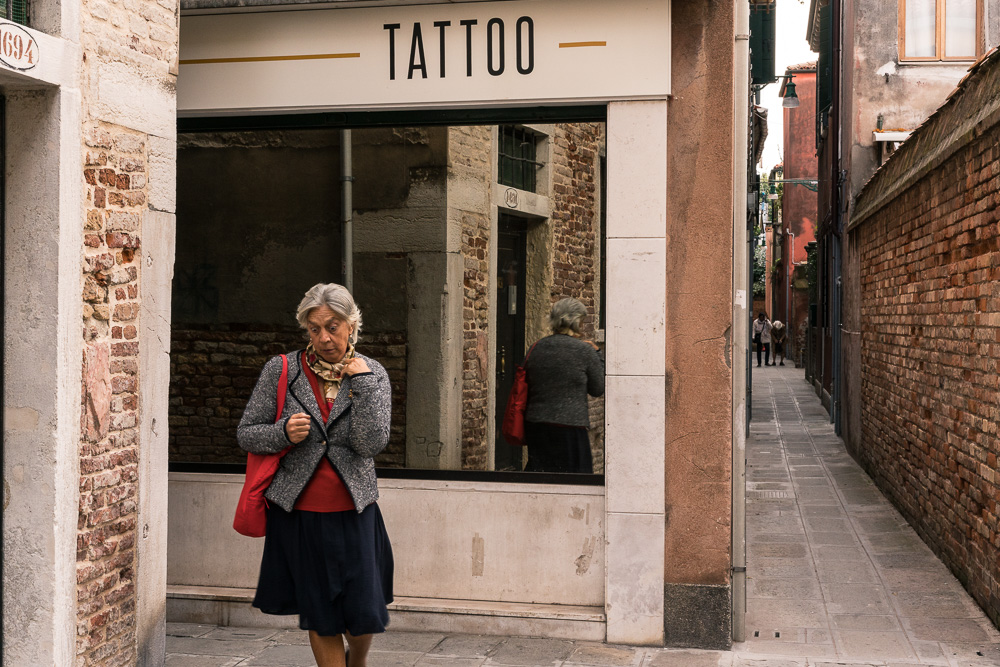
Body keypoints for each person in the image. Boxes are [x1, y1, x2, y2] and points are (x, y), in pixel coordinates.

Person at [238, 283, 393, 667]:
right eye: (314, 328)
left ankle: (356, 662)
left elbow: (371, 442)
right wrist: (281, 432)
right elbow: (247, 432)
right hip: (300, 515)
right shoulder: (282, 369)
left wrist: (361, 384)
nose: (324, 337)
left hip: (355, 511)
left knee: (362, 613)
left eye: (333, 326)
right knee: (321, 614)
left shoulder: (373, 373)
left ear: (352, 325)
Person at [522, 297, 605, 474]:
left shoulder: (536, 347)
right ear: (576, 322)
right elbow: (598, 389)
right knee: (574, 482)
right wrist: (598, 354)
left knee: (540, 478)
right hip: (570, 427)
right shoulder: (585, 351)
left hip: (537, 425)